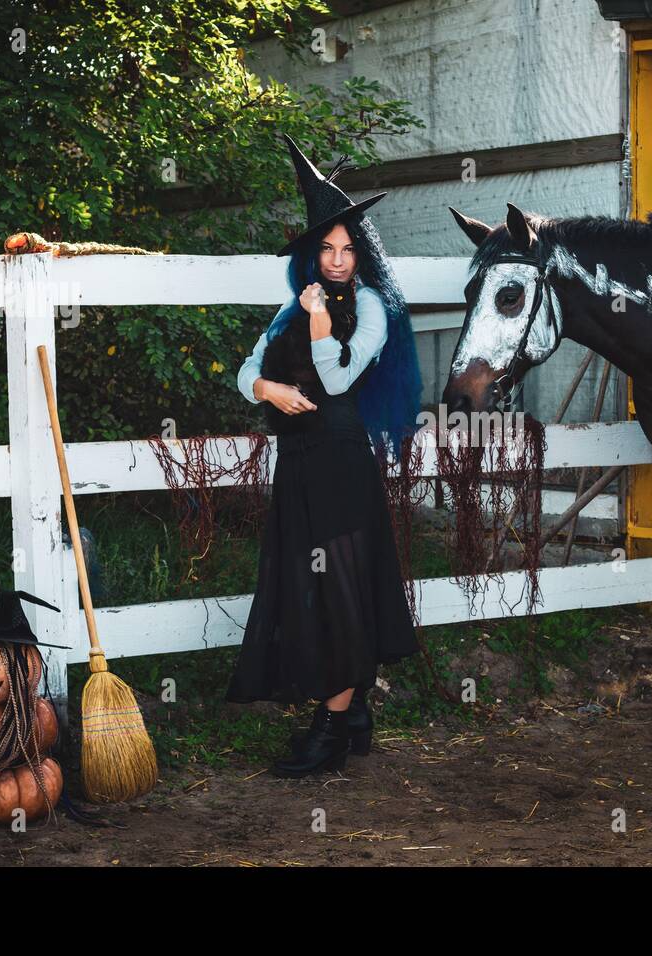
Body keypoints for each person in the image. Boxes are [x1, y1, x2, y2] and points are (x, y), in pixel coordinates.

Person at [226, 134, 423, 778]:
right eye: (326, 248)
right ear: (313, 252)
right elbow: (246, 369)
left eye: (347, 248)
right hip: (299, 466)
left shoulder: (370, 308)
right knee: (309, 583)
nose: (336, 259)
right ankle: (356, 711)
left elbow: (337, 380)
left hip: (341, 465)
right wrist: (266, 388)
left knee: (339, 587)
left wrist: (316, 324)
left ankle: (332, 726)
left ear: (358, 254)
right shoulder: (291, 304)